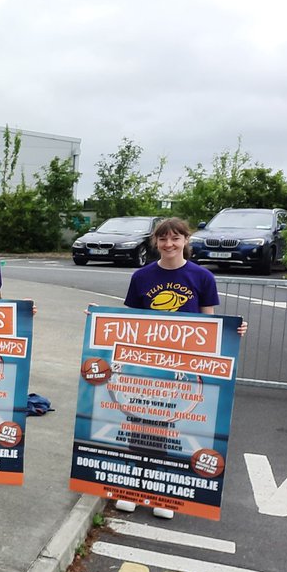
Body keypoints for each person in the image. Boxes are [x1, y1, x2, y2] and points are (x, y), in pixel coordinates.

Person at [119, 216, 245, 520]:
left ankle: (164, 491)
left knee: (173, 426)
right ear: (155, 242)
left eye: (176, 238)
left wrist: (232, 331)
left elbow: (209, 323)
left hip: (183, 365)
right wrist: (99, 320)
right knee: (140, 424)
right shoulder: (142, 276)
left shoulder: (202, 278)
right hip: (147, 364)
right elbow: (127, 321)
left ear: (186, 241)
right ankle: (132, 488)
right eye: (163, 239)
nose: (169, 244)